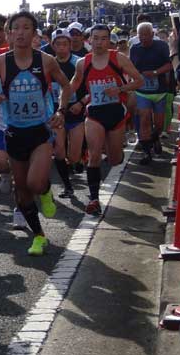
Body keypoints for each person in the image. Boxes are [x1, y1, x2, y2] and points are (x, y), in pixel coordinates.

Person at [0, 11, 71, 255]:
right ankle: (39, 236)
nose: (20, 32)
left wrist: (61, 111)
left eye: (26, 27)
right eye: (16, 28)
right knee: (21, 191)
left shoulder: (46, 61)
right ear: (9, 33)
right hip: (14, 133)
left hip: (40, 132)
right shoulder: (0, 62)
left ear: (34, 33)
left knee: (34, 182)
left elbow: (66, 85)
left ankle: (45, 190)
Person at [70, 24, 143, 214]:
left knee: (115, 159)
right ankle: (94, 199)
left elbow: (139, 81)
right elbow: (72, 85)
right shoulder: (83, 63)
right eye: (96, 38)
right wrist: (64, 105)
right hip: (94, 113)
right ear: (89, 40)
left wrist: (119, 90)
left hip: (116, 112)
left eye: (104, 38)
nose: (99, 42)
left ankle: (111, 146)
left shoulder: (118, 58)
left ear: (108, 40)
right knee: (94, 156)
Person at [49, 29, 86, 199]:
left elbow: (92, 89)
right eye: (58, 44)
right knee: (59, 152)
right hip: (57, 113)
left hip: (76, 112)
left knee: (73, 155)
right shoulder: (48, 64)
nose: (62, 48)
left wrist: (81, 103)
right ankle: (68, 186)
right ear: (53, 46)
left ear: (71, 45)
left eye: (65, 44)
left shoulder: (79, 63)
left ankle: (77, 161)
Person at [130, 21, 172, 164]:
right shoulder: (134, 49)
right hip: (142, 91)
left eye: (146, 35)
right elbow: (132, 68)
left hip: (159, 91)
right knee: (144, 120)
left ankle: (155, 139)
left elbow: (169, 65)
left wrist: (155, 72)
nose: (143, 38)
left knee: (159, 125)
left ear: (152, 35)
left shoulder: (162, 46)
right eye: (140, 35)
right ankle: (147, 153)